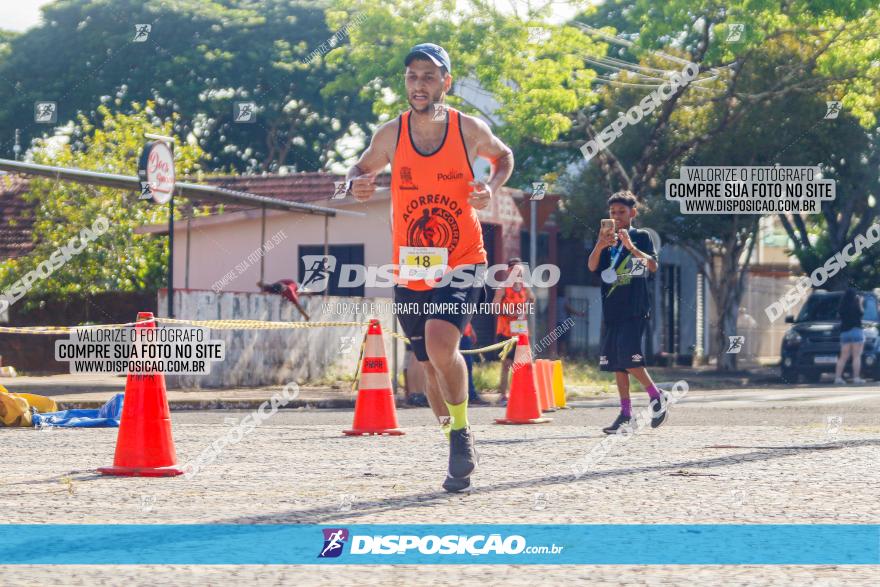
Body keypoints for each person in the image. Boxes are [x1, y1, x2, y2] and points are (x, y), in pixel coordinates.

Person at [345, 42, 514, 492]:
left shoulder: (467, 129)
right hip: (411, 265)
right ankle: (455, 442)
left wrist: (490, 188)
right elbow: (359, 169)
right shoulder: (391, 133)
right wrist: (357, 185)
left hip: (462, 258)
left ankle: (460, 434)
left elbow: (504, 156)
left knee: (442, 345)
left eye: (428, 76)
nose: (418, 85)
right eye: (412, 77)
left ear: (445, 82)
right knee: (427, 367)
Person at [587, 191, 667, 433]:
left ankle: (656, 396)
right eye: (613, 212)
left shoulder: (641, 237)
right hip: (612, 309)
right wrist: (601, 244)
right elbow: (592, 266)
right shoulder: (606, 240)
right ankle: (625, 414)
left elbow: (652, 266)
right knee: (616, 364)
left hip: (635, 307)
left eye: (622, 212)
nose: (617, 216)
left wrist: (630, 247)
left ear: (633, 212)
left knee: (629, 358)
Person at [493, 258, 535, 405]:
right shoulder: (503, 287)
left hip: (521, 331)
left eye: (520, 271)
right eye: (514, 271)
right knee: (507, 364)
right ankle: (502, 395)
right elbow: (494, 307)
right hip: (505, 331)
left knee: (522, 363)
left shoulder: (525, 287)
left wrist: (525, 309)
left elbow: (532, 299)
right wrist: (510, 312)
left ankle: (520, 394)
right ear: (509, 271)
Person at [834, 288, 866, 385]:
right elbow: (861, 313)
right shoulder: (856, 304)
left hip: (845, 333)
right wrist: (860, 302)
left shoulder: (842, 307)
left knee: (843, 357)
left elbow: (839, 317)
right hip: (856, 331)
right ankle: (856, 378)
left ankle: (838, 378)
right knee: (856, 356)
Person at [460, 322, 488, 405]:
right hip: (455, 333)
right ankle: (469, 396)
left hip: (464, 335)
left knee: (467, 367)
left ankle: (470, 396)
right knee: (463, 367)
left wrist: (471, 330)